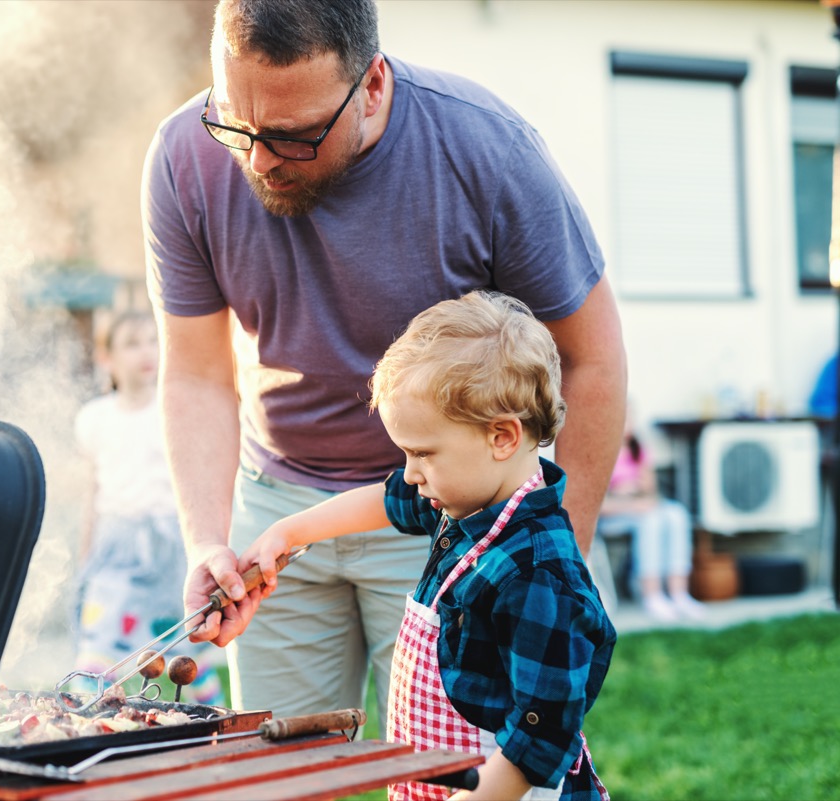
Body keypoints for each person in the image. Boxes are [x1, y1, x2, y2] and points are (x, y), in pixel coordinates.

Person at [141, 0, 627, 729]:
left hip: (453, 507)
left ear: (370, 86)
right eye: (235, 124)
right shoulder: (182, 157)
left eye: (295, 135)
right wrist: (212, 539)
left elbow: (592, 358)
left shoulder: (488, 152)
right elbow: (198, 373)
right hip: (277, 509)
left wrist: (557, 559)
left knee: (454, 771)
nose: (259, 158)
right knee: (280, 772)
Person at [242, 292, 615, 801]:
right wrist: (290, 532)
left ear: (502, 436)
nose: (411, 472)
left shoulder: (538, 574)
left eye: (422, 453)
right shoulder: (463, 501)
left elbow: (539, 739)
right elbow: (386, 499)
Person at [71, 310, 224, 706]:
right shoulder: (94, 418)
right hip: (116, 545)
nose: (145, 352)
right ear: (107, 358)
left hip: (169, 545)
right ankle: (89, 721)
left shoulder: (172, 411)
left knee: (175, 649)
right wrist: (85, 555)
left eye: (152, 341)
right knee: (100, 645)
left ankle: (200, 725)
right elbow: (93, 493)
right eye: (131, 343)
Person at [598, 410, 705, 623]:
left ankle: (679, 592)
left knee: (676, 514)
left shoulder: (639, 451)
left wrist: (641, 491)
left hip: (640, 507)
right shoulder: (600, 452)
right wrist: (625, 498)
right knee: (651, 520)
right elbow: (599, 504)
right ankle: (651, 593)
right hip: (612, 517)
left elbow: (652, 493)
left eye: (631, 418)